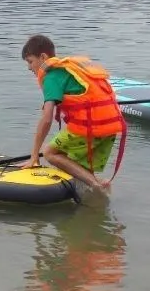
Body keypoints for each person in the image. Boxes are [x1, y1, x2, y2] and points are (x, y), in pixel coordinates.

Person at [20, 34, 127, 194]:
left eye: (30, 62)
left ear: (43, 57)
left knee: (50, 153)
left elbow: (47, 118)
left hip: (91, 127)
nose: (29, 67)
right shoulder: (69, 70)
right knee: (79, 165)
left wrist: (34, 155)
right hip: (111, 127)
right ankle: (99, 189)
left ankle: (97, 187)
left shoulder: (51, 76)